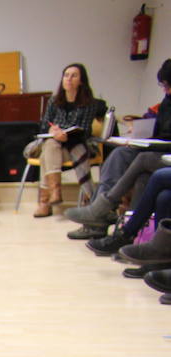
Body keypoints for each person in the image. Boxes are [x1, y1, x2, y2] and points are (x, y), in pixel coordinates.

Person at [65, 58, 171, 238]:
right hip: (158, 148)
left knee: (143, 164)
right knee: (119, 154)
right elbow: (161, 127)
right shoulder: (167, 101)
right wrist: (141, 131)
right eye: (163, 85)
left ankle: (107, 215)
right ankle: (98, 222)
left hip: (165, 153)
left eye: (168, 85)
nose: (165, 90)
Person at [25, 63, 104, 217]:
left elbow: (84, 131)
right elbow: (43, 125)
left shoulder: (89, 104)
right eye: (66, 75)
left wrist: (64, 135)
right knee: (50, 144)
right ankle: (55, 191)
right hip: (55, 146)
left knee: (47, 152)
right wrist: (51, 130)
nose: (68, 79)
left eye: (74, 75)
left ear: (81, 81)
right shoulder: (54, 101)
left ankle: (46, 201)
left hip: (76, 146)